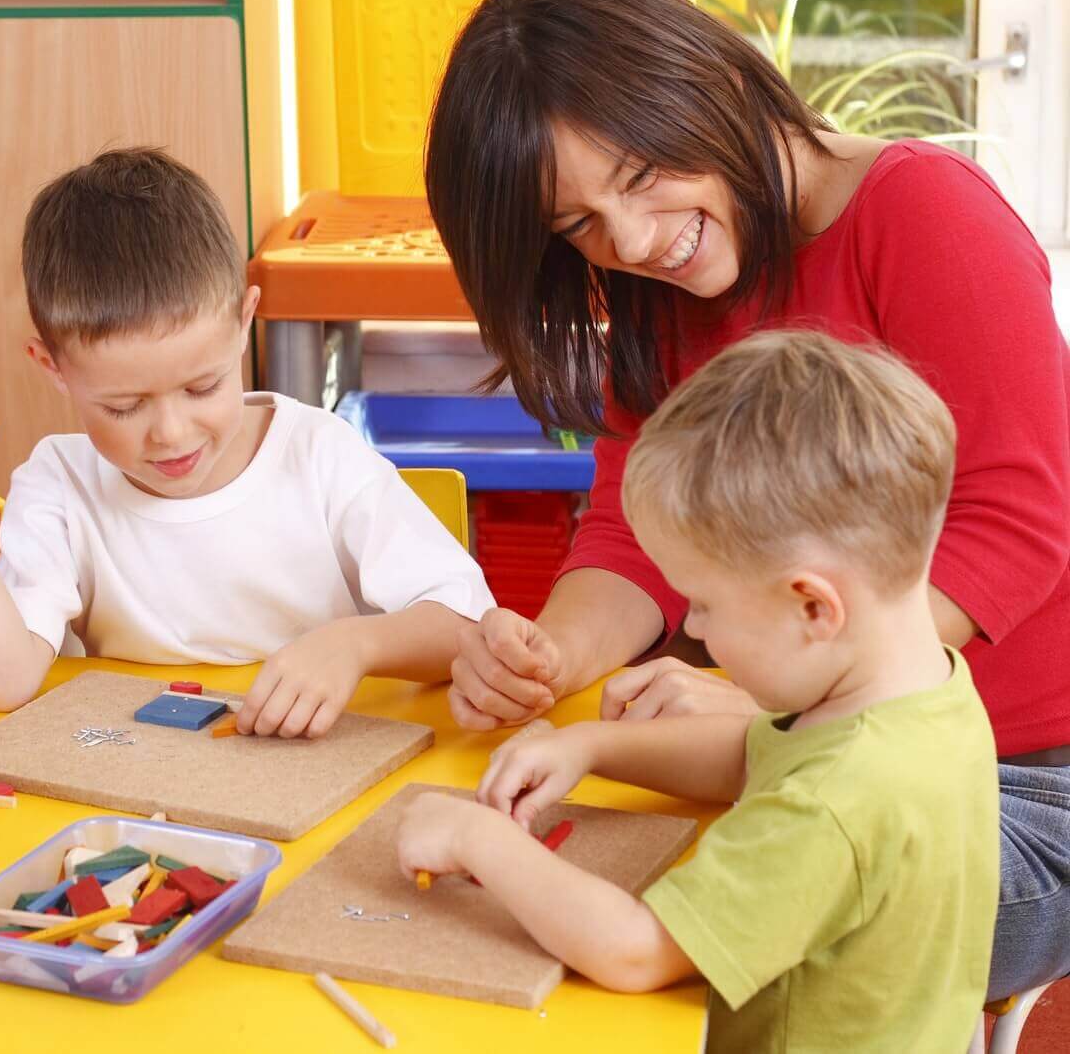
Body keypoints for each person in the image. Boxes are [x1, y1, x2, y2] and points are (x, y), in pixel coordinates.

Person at [424, 0, 1070, 998]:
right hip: (812, 744)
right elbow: (633, 520)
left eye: (638, 177)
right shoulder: (648, 278)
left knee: (686, 928)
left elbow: (1015, 523)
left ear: (710, 82)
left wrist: (756, 690)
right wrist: (551, 656)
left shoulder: (922, 215)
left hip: (1025, 785)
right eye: (575, 226)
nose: (629, 239)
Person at [398, 331, 997, 1053]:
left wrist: (476, 836)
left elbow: (635, 948)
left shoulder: (833, 803)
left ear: (813, 606)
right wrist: (590, 743)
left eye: (705, 604)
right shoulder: (920, 688)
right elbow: (755, 753)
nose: (695, 628)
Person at [0, 148, 493, 732]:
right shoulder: (58, 484)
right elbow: (4, 681)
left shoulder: (318, 455)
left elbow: (468, 622)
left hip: (330, 766)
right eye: (124, 406)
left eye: (203, 387)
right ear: (53, 367)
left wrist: (355, 644)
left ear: (244, 323)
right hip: (154, 784)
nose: (171, 434)